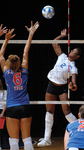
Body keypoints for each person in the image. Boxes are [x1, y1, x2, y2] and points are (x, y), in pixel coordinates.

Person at [37, 29, 81, 147]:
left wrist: (72, 86)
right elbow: (53, 42)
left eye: (74, 52)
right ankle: (47, 139)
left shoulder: (73, 67)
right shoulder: (62, 56)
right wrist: (62, 36)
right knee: (49, 111)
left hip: (61, 89)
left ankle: (81, 129)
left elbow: (73, 83)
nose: (71, 52)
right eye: (71, 50)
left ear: (77, 56)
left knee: (67, 112)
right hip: (51, 85)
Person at [0, 21, 39, 150]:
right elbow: (25, 52)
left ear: (8, 64)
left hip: (11, 107)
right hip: (25, 106)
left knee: (14, 141)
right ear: (19, 63)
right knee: (27, 139)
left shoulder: (7, 73)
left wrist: (5, 39)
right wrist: (31, 34)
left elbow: (0, 55)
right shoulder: (24, 71)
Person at [0, 79, 7, 149]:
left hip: (1, 111)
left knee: (1, 129)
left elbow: (6, 103)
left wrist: (2, 113)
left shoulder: (4, 92)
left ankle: (3, 145)